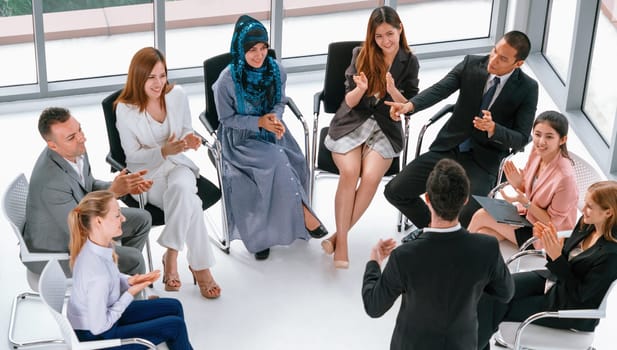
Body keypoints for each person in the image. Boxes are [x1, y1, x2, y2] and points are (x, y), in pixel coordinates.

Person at [384, 30, 538, 240]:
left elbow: (521, 137)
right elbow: (440, 89)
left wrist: (494, 129)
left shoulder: (528, 88)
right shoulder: (471, 64)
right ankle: (434, 231)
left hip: (484, 161)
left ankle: (439, 237)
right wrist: (409, 105)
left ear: (517, 63)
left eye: (503, 58)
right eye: (494, 51)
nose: (493, 60)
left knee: (468, 217)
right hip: (449, 147)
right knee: (395, 190)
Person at [362, 159, 514, 350]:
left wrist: (374, 263)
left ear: (427, 199)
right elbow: (506, 293)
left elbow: (374, 306)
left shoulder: (404, 256)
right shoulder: (487, 248)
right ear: (466, 199)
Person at [212, 15, 327, 260]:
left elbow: (279, 102)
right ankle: (294, 220)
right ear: (240, 49)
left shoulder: (276, 71)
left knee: (294, 161)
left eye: (263, 48)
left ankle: (277, 227)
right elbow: (225, 120)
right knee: (274, 163)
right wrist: (258, 122)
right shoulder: (226, 81)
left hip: (272, 131)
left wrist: (274, 118)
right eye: (252, 49)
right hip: (238, 139)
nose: (259, 55)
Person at [115, 47, 221, 299]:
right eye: (151, 77)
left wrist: (189, 140)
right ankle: (201, 268)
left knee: (184, 187)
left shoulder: (177, 95)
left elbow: (185, 129)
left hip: (178, 165)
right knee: (191, 203)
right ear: (138, 77)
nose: (159, 83)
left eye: (162, 75)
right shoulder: (125, 110)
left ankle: (171, 254)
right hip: (148, 175)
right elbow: (132, 158)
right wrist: (163, 151)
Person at [320, 6, 419, 269]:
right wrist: (361, 89)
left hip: (386, 127)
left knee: (372, 177)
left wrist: (393, 91)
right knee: (350, 172)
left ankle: (337, 238)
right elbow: (349, 101)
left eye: (390, 33)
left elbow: (408, 104)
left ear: (400, 29)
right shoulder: (360, 54)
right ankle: (342, 243)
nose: (386, 41)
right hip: (353, 121)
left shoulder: (409, 61)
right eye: (379, 37)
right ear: (371, 37)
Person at [477, 181, 617, 350]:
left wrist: (556, 257)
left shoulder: (611, 255)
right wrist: (549, 241)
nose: (583, 209)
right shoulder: (587, 223)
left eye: (590, 206)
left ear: (608, 212)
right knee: (495, 289)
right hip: (552, 279)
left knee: (497, 306)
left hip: (568, 305)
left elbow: (581, 295)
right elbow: (565, 253)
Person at [24, 107, 152, 276]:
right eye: (71, 137)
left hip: (77, 225)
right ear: (53, 145)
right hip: (58, 250)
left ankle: (115, 277)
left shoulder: (75, 149)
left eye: (79, 129)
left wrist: (120, 186)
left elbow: (88, 186)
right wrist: (112, 193)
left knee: (142, 220)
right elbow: (80, 228)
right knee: (134, 260)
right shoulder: (51, 182)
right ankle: (127, 295)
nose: (81, 138)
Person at [66, 190, 193, 349]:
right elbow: (100, 327)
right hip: (99, 337)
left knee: (174, 306)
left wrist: (129, 281)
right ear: (98, 221)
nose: (124, 218)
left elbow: (111, 275)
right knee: (176, 326)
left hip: (102, 317)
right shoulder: (96, 272)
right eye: (117, 215)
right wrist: (129, 294)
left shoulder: (95, 246)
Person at [468, 110, 578, 247]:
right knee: (482, 233)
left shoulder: (565, 179)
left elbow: (552, 223)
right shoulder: (537, 152)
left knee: (481, 215)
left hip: (544, 234)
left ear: (562, 140)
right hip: (525, 217)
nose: (541, 142)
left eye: (549, 137)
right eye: (537, 135)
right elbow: (529, 189)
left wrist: (526, 203)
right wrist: (519, 184)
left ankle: (453, 254)